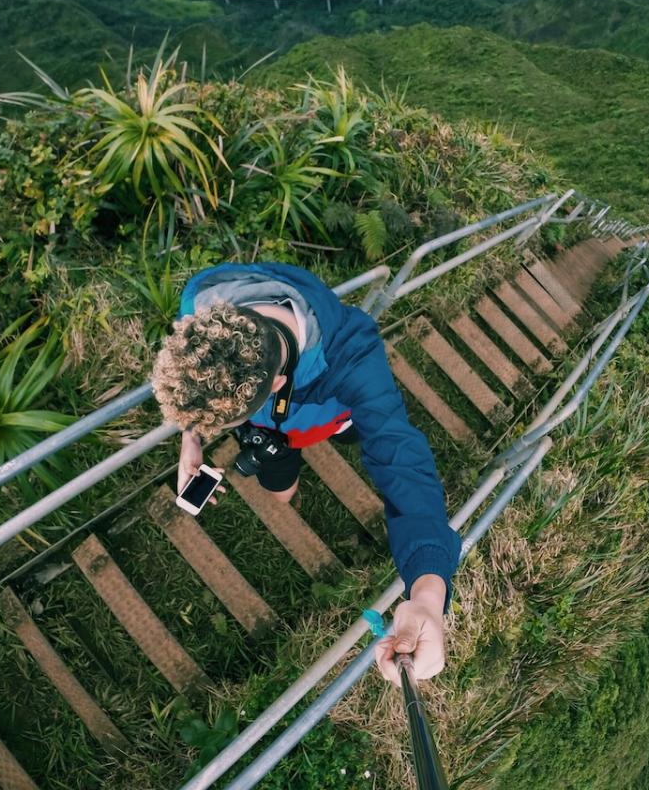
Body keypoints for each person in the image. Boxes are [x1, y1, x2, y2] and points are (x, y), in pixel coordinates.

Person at [150, 261, 460, 685]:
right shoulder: (202, 302)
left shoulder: (354, 357)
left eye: (216, 426)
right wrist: (191, 439)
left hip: (330, 415)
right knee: (281, 491)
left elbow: (402, 464)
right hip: (273, 428)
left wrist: (427, 593)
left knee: (353, 436)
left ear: (276, 387)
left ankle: (342, 431)